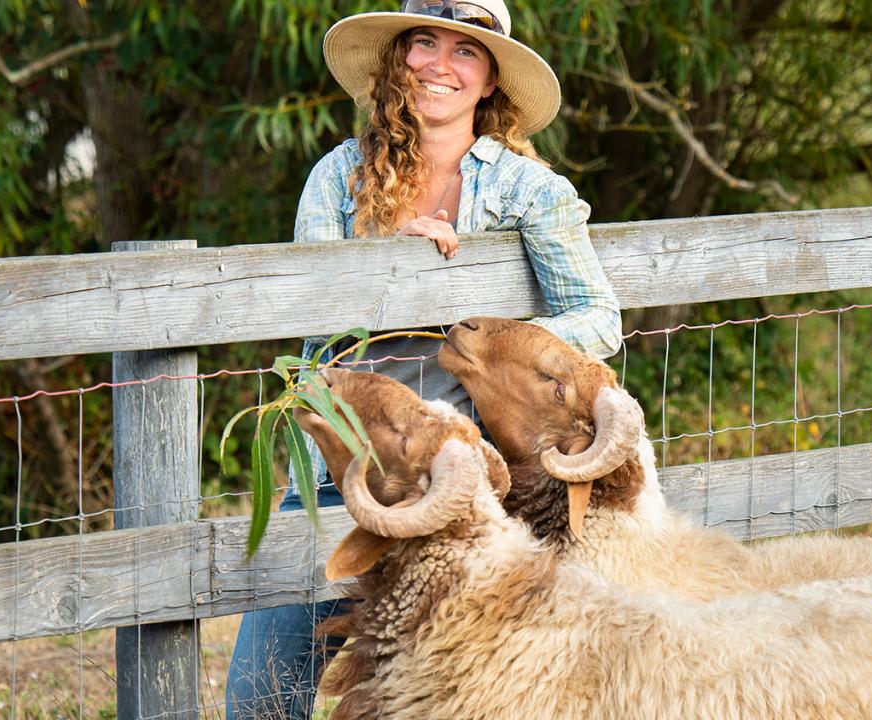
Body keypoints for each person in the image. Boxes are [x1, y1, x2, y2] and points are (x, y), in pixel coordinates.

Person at [225, 0, 622, 716]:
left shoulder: (529, 192)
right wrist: (384, 264)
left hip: (471, 487)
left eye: (465, 52)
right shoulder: (339, 177)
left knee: (462, 695)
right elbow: (311, 326)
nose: (440, 65)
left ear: (492, 78)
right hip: (340, 472)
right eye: (423, 43)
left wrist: (496, 341)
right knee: (260, 698)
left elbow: (599, 320)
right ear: (397, 60)